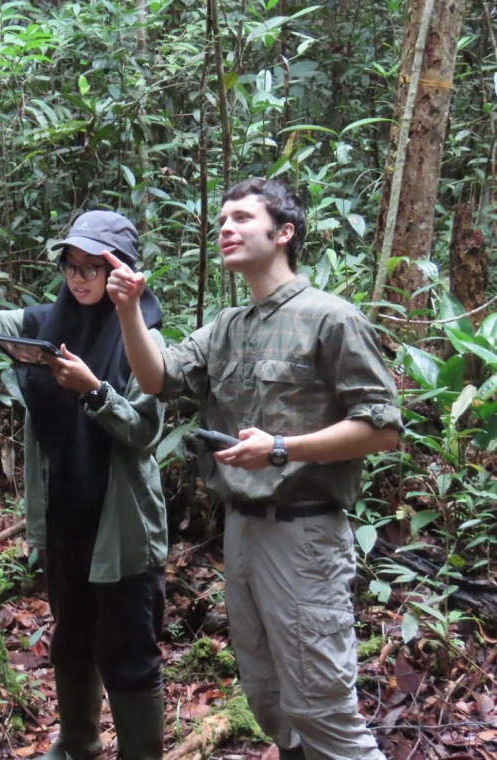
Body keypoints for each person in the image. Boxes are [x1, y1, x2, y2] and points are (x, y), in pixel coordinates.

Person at [105, 177, 402, 760]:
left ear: (284, 233)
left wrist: (282, 447)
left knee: (322, 708)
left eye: (242, 217)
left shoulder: (330, 319)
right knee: (267, 700)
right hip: (240, 531)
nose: (226, 227)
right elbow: (156, 378)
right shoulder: (228, 325)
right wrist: (128, 309)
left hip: (304, 534)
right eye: (222, 219)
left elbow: (383, 428)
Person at [0, 205, 168, 760]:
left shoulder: (145, 336)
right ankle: (78, 741)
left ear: (119, 269)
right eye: (70, 265)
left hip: (120, 520)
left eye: (90, 267)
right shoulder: (45, 322)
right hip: (64, 513)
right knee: (72, 635)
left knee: (127, 647)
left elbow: (145, 429)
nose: (78, 278)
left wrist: (95, 390)